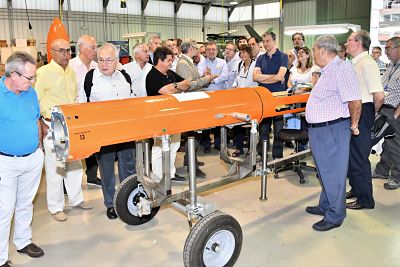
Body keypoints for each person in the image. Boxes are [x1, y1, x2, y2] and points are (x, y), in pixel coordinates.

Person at [305, 35, 361, 231]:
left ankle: (336, 215)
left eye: (313, 51)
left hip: (332, 129)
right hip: (320, 130)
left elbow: (355, 101)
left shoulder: (342, 69)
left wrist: (354, 125)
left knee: (333, 173)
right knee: (324, 171)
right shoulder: (327, 70)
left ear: (322, 51)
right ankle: (326, 204)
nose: (312, 54)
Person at [35, 39, 92, 222]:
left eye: (69, 50)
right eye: (62, 51)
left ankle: (76, 199)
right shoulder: (43, 73)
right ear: (51, 52)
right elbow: (35, 100)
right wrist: (40, 123)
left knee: (75, 165)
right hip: (52, 125)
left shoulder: (71, 72)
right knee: (55, 169)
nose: (66, 54)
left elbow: (74, 96)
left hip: (70, 125)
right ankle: (56, 206)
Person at [80, 43, 136, 220]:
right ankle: (111, 204)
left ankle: (128, 199)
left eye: (108, 60)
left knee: (128, 166)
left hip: (126, 131)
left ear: (117, 61)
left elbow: (132, 99)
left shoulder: (124, 77)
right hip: (103, 133)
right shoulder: (91, 78)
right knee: (107, 170)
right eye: (101, 60)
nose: (104, 64)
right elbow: (83, 105)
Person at [0, 52, 44, 267]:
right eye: (29, 77)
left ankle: (23, 242)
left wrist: (39, 149)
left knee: (25, 203)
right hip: (5, 162)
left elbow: (35, 120)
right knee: (4, 209)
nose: (32, 81)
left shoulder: (30, 92)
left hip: (32, 159)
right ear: (14, 75)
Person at [344, 31, 385, 209]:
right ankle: (356, 189)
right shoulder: (355, 63)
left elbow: (379, 95)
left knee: (360, 157)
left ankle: (366, 200)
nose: (346, 43)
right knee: (352, 156)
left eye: (349, 40)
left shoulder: (368, 63)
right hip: (355, 111)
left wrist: (372, 114)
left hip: (364, 111)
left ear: (359, 42)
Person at [146, 47, 190, 182]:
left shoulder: (170, 73)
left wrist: (174, 86)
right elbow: (166, 91)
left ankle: (170, 174)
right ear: (160, 61)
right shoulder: (152, 76)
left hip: (174, 115)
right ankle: (159, 176)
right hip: (159, 117)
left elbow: (187, 83)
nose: (171, 62)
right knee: (159, 146)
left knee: (174, 144)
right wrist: (177, 87)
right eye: (169, 60)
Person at [176, 40, 218, 178]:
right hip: (190, 104)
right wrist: (207, 79)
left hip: (193, 102)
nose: (198, 50)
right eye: (195, 48)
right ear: (190, 49)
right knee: (192, 135)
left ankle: (190, 161)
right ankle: (191, 165)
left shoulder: (188, 62)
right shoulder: (183, 63)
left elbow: (192, 81)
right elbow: (188, 85)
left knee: (193, 135)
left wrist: (203, 77)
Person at [69, 34, 101, 187]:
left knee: (92, 143)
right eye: (92, 47)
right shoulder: (70, 66)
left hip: (93, 111)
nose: (95, 51)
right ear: (81, 48)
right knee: (75, 145)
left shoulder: (97, 66)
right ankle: (68, 183)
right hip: (75, 111)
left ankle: (92, 175)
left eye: (95, 47)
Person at [253, 31, 288, 159]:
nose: (265, 44)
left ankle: (277, 158)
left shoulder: (283, 57)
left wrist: (263, 78)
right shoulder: (260, 58)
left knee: (279, 130)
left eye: (268, 41)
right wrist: (274, 77)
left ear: (274, 41)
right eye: (264, 41)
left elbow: (280, 77)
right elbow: (254, 77)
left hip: (279, 98)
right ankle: (262, 156)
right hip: (263, 98)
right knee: (263, 129)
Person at [372, 36, 400, 190]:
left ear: (398, 48)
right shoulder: (391, 66)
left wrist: (396, 115)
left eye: (389, 47)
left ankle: (397, 177)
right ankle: (382, 170)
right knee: (387, 143)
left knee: (395, 145)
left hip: (395, 111)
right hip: (385, 108)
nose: (385, 51)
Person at [197, 41, 229, 153]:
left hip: (219, 95)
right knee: (207, 120)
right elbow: (200, 77)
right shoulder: (201, 63)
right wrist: (208, 78)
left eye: (213, 49)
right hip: (206, 95)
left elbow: (225, 76)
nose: (211, 51)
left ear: (217, 51)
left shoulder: (222, 62)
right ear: (205, 52)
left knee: (219, 119)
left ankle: (218, 143)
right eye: (209, 49)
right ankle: (206, 143)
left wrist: (211, 79)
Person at [231, 44, 258, 157]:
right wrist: (234, 86)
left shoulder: (256, 65)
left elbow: (256, 81)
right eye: (240, 53)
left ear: (250, 53)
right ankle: (239, 147)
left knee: (253, 125)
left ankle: (253, 150)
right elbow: (236, 79)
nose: (242, 55)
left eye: (244, 52)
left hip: (252, 98)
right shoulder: (239, 65)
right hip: (240, 99)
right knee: (237, 123)